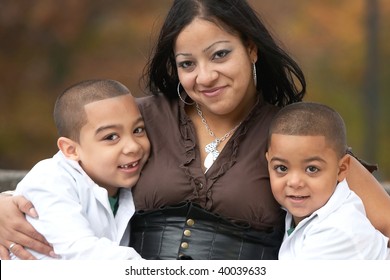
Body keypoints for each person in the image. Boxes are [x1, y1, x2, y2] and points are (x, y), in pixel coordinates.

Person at [1, 0, 390, 260]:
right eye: (187, 64)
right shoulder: (137, 122)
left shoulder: (296, 135)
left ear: (251, 48)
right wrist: (5, 202)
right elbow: (64, 173)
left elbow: (383, 221)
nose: (205, 76)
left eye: (220, 54)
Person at [5, 79, 150, 259]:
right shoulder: (50, 179)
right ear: (71, 149)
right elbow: (81, 252)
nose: (133, 147)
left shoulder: (122, 184)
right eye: (111, 137)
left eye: (138, 130)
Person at [266, 102, 390, 259]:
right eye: (282, 168)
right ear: (268, 163)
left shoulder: (338, 230)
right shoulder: (307, 211)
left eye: (312, 169)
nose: (294, 182)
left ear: (342, 169)